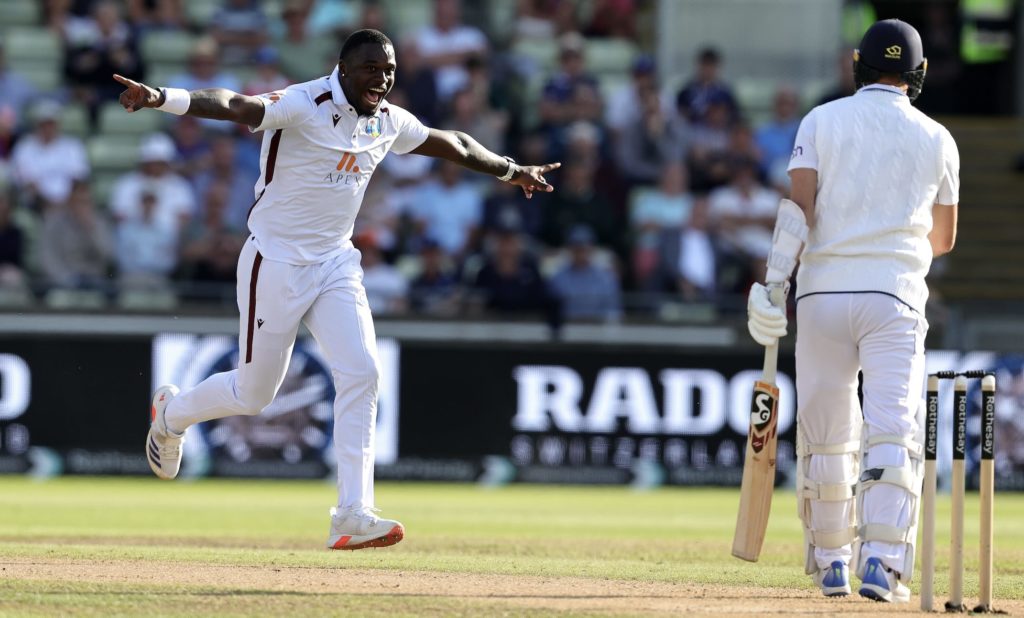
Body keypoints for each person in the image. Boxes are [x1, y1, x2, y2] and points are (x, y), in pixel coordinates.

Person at [113, 28, 559, 551]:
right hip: (274, 261)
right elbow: (235, 105)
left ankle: (351, 513)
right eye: (372, 68)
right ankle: (170, 415)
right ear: (343, 68)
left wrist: (512, 170)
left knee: (363, 371)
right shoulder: (304, 102)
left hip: (335, 263)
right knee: (257, 394)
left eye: (389, 69)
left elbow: (453, 143)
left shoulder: (387, 121)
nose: (383, 78)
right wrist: (162, 97)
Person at [746, 20, 959, 603]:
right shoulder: (939, 138)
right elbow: (943, 240)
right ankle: (883, 566)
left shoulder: (821, 120)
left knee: (827, 432)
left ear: (858, 66)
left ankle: (833, 563)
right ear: (917, 74)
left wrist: (773, 286)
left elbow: (800, 207)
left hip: (820, 294)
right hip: (894, 294)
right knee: (892, 428)